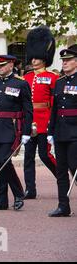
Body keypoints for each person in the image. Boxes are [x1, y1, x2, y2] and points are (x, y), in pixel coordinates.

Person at [0, 55, 33, 211]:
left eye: (2, 65)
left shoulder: (21, 83)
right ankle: (1, 200)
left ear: (11, 65)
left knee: (4, 160)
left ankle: (18, 194)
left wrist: (26, 132)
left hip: (11, 127)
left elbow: (27, 109)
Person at [23, 26, 58, 199]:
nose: (34, 60)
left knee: (45, 155)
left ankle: (62, 177)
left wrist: (53, 121)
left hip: (45, 120)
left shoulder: (53, 77)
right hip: (30, 121)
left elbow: (54, 102)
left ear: (45, 58)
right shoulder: (26, 77)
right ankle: (30, 189)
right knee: (28, 157)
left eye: (37, 57)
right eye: (33, 57)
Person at [47, 46, 77, 217]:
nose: (64, 63)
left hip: (75, 131)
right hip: (60, 130)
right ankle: (63, 206)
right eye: (63, 61)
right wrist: (51, 131)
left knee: (74, 167)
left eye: (68, 60)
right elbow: (55, 109)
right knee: (61, 170)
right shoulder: (58, 82)